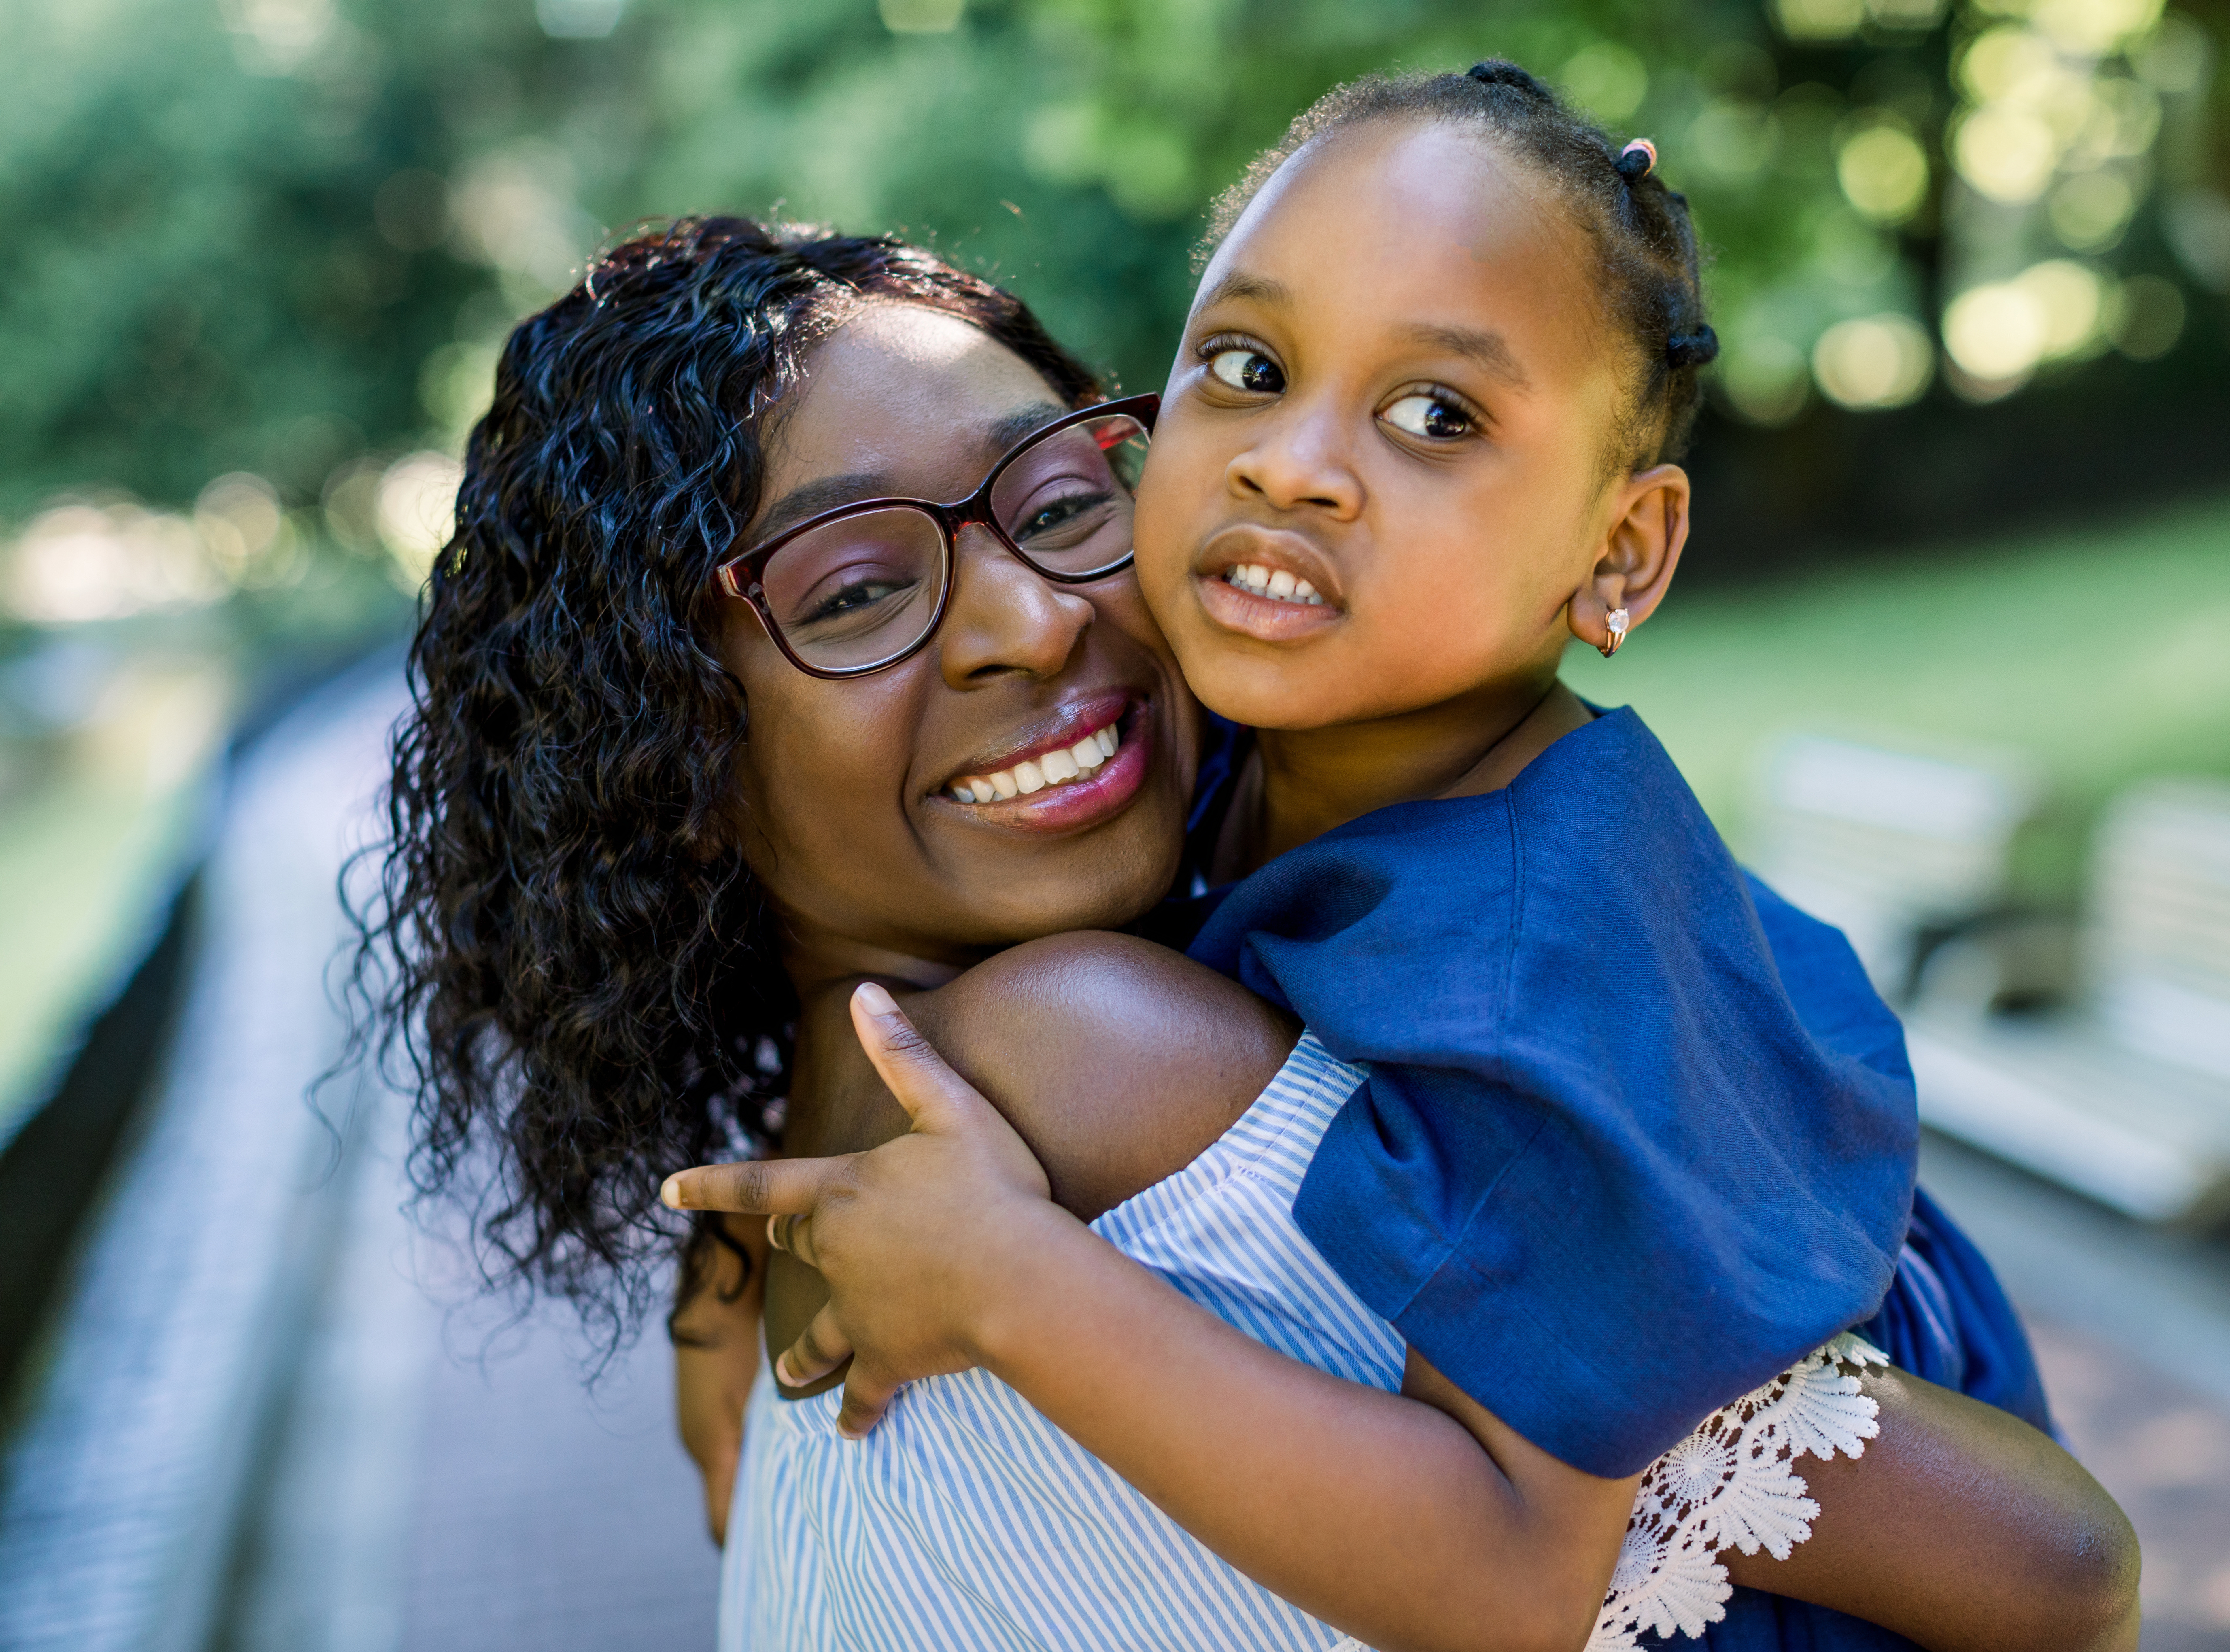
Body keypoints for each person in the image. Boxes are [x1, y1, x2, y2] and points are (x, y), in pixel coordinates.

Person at [368, 210, 2128, 1648]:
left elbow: (2042, 1560)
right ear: (664, 750)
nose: (1035, 624)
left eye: (1059, 501)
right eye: (856, 589)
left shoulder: (966, 1129)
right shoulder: (1004, 1087)